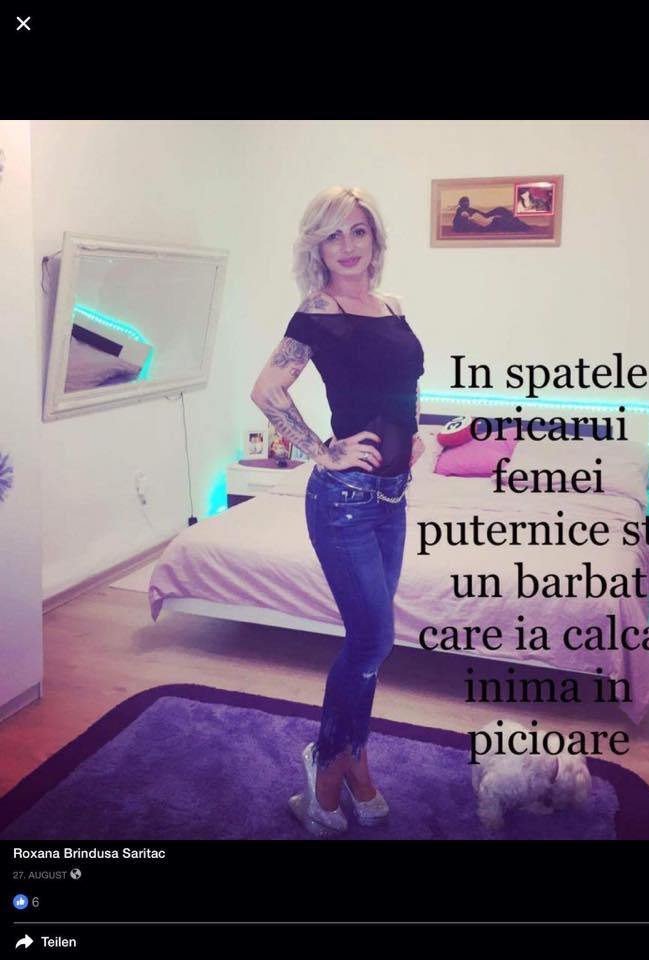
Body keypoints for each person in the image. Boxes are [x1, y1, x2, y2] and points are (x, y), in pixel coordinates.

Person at [250, 186, 425, 837]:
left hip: (393, 497)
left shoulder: (392, 307)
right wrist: (324, 452)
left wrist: (414, 434)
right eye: (333, 235)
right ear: (317, 247)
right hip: (346, 502)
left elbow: (401, 384)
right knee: (374, 639)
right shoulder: (318, 311)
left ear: (374, 238)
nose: (347, 246)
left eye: (358, 231)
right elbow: (267, 390)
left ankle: (353, 758)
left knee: (368, 645)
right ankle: (325, 766)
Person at [452, 194, 534, 233]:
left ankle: (516, 220)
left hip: (485, 217)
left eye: (467, 202)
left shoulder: (468, 209)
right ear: (461, 204)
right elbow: (462, 217)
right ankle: (521, 226)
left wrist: (488, 217)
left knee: (500, 209)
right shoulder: (461, 211)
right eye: (465, 203)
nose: (467, 204)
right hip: (485, 225)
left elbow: (483, 214)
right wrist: (467, 216)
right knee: (498, 219)